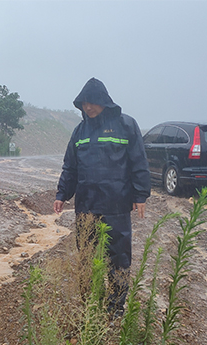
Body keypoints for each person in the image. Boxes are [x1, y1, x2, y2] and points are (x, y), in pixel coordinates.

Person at [53, 77, 151, 318]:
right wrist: (62, 194)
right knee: (87, 257)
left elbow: (139, 161)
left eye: (92, 102)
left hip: (116, 206)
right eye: (84, 103)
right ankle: (92, 304)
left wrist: (140, 195)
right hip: (86, 207)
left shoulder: (126, 125)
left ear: (104, 101)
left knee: (118, 258)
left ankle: (115, 307)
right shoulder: (79, 131)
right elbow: (70, 167)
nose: (88, 108)